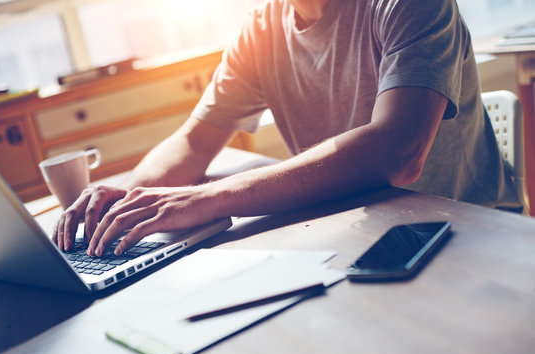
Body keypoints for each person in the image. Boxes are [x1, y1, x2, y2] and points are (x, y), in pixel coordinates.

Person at [53, 0, 520, 257]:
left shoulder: (410, 4)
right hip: (360, 231)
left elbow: (399, 153)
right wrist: (124, 200)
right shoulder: (260, 29)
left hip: (464, 235)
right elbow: (196, 139)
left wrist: (209, 197)